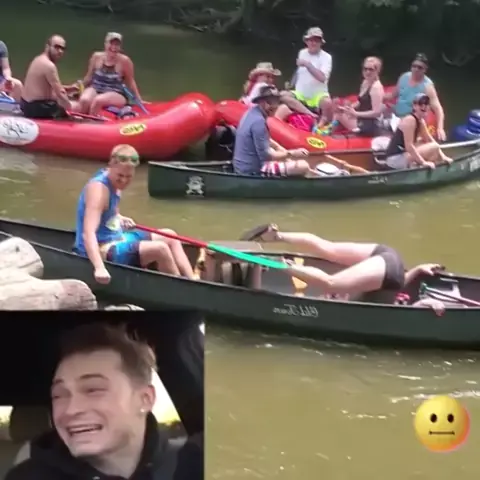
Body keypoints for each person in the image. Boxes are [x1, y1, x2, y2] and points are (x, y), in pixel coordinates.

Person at [5, 323, 203, 480]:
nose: (70, 410)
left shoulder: (195, 464)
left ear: (145, 399)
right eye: (58, 395)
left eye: (93, 390)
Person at [73, 144, 195, 284]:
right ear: (111, 165)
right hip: (101, 248)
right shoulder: (99, 191)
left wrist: (119, 218)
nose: (124, 180)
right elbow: (88, 233)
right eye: (120, 176)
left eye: (128, 176)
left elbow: (110, 211)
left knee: (170, 236)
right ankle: (181, 288)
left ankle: (193, 281)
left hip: (116, 237)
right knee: (160, 249)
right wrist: (99, 268)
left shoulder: (115, 182)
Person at [244, 223, 446, 306]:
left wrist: (418, 270)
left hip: (389, 260)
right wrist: (419, 272)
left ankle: (276, 238)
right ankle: (281, 256)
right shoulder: (368, 295)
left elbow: (395, 286)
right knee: (330, 281)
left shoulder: (374, 293)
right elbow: (395, 286)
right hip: (389, 268)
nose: (325, 297)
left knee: (328, 253)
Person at [232, 85, 320, 177]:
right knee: (303, 166)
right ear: (263, 103)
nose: (276, 106)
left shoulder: (251, 113)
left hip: (242, 166)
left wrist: (280, 149)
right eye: (272, 102)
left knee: (288, 159)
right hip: (253, 170)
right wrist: (292, 153)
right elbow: (267, 156)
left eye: (277, 102)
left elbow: (264, 139)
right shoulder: (259, 122)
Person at [275, 27, 333, 128]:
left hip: (318, 96)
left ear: (321, 43)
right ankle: (309, 114)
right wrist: (291, 83)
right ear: (306, 41)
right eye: (311, 40)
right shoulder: (302, 52)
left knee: (327, 103)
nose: (313, 43)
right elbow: (298, 71)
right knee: (282, 95)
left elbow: (322, 78)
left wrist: (308, 64)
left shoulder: (327, 57)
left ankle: (322, 123)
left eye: (316, 40)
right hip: (301, 94)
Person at [74, 32, 142, 115]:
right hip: (96, 88)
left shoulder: (125, 61)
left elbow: (130, 81)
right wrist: (76, 88)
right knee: (84, 100)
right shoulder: (96, 56)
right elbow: (89, 77)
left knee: (98, 100)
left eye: (117, 45)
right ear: (105, 44)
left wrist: (138, 99)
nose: (114, 47)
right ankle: (80, 119)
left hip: (116, 93)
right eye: (111, 43)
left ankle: (92, 121)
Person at [384, 53, 446, 141]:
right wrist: (380, 97)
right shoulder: (404, 77)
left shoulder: (427, 87)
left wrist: (440, 128)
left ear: (425, 70)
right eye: (414, 66)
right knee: (380, 112)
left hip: (410, 121)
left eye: (420, 67)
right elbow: (393, 95)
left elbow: (438, 108)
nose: (416, 69)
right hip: (396, 114)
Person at [384, 93, 452, 170]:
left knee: (426, 143)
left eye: (426, 104)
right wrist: (423, 162)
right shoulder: (410, 120)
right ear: (414, 106)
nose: (424, 106)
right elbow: (409, 146)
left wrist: (444, 157)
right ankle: (419, 165)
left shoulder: (421, 121)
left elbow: (429, 140)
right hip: (395, 160)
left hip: (404, 155)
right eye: (420, 104)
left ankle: (424, 165)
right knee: (434, 146)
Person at [20, 35, 72, 119]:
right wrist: (70, 108)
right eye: (56, 47)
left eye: (62, 48)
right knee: (68, 107)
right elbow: (60, 92)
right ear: (47, 47)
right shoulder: (49, 66)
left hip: (25, 105)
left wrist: (70, 88)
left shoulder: (37, 59)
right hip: (36, 109)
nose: (60, 51)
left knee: (57, 100)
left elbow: (45, 86)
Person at [334, 56, 384, 136]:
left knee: (338, 115)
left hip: (371, 124)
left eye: (371, 69)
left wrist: (356, 113)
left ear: (377, 71)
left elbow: (376, 113)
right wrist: (347, 108)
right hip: (362, 118)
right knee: (339, 111)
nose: (367, 72)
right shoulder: (365, 82)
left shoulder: (376, 88)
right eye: (365, 69)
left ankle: (327, 135)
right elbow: (360, 102)